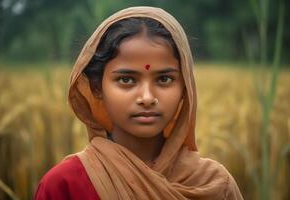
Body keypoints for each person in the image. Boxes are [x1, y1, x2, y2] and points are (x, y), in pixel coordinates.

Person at [34, 6, 243, 200]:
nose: (147, 97)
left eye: (164, 79)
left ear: (185, 89)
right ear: (97, 87)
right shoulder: (65, 185)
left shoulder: (214, 185)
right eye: (126, 80)